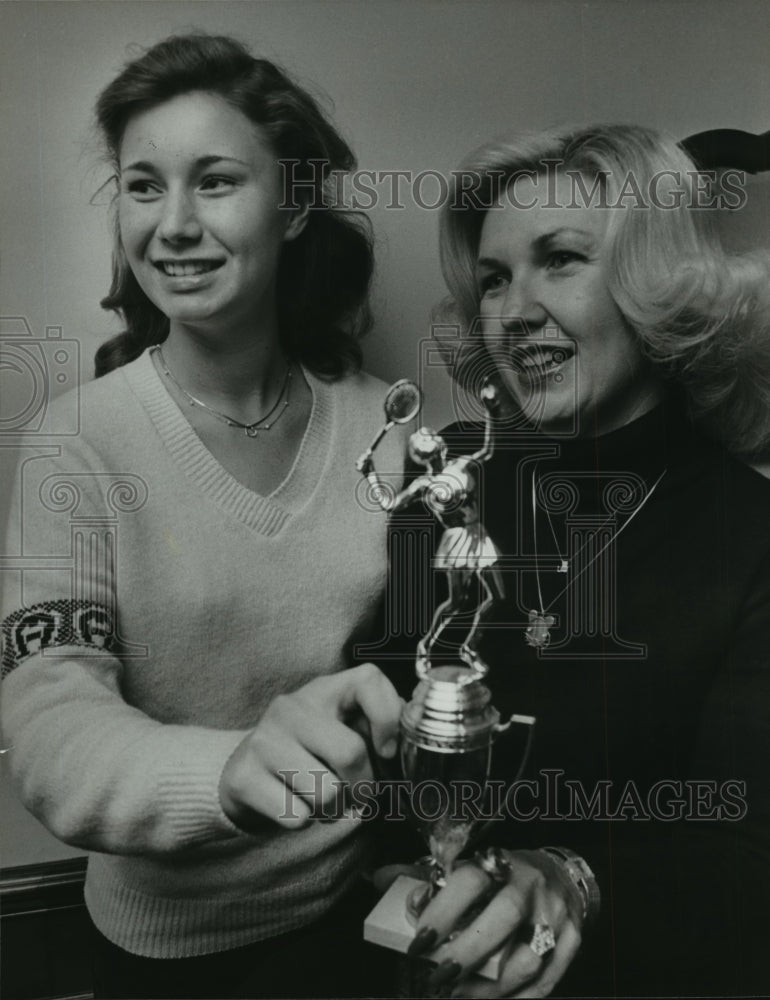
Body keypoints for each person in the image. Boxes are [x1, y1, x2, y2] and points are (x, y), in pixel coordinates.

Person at [0, 33, 407, 1000]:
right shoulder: (74, 441)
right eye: (144, 187)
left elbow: (428, 662)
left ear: (295, 202)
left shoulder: (388, 424)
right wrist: (229, 774)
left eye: (216, 181)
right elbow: (50, 721)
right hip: (161, 954)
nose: (173, 224)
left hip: (360, 919)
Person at [376, 124, 770, 997]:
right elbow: (378, 727)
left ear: (656, 283)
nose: (513, 311)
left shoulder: (753, 535)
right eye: (492, 279)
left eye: (560, 260)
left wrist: (571, 881)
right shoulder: (448, 488)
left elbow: (748, 852)